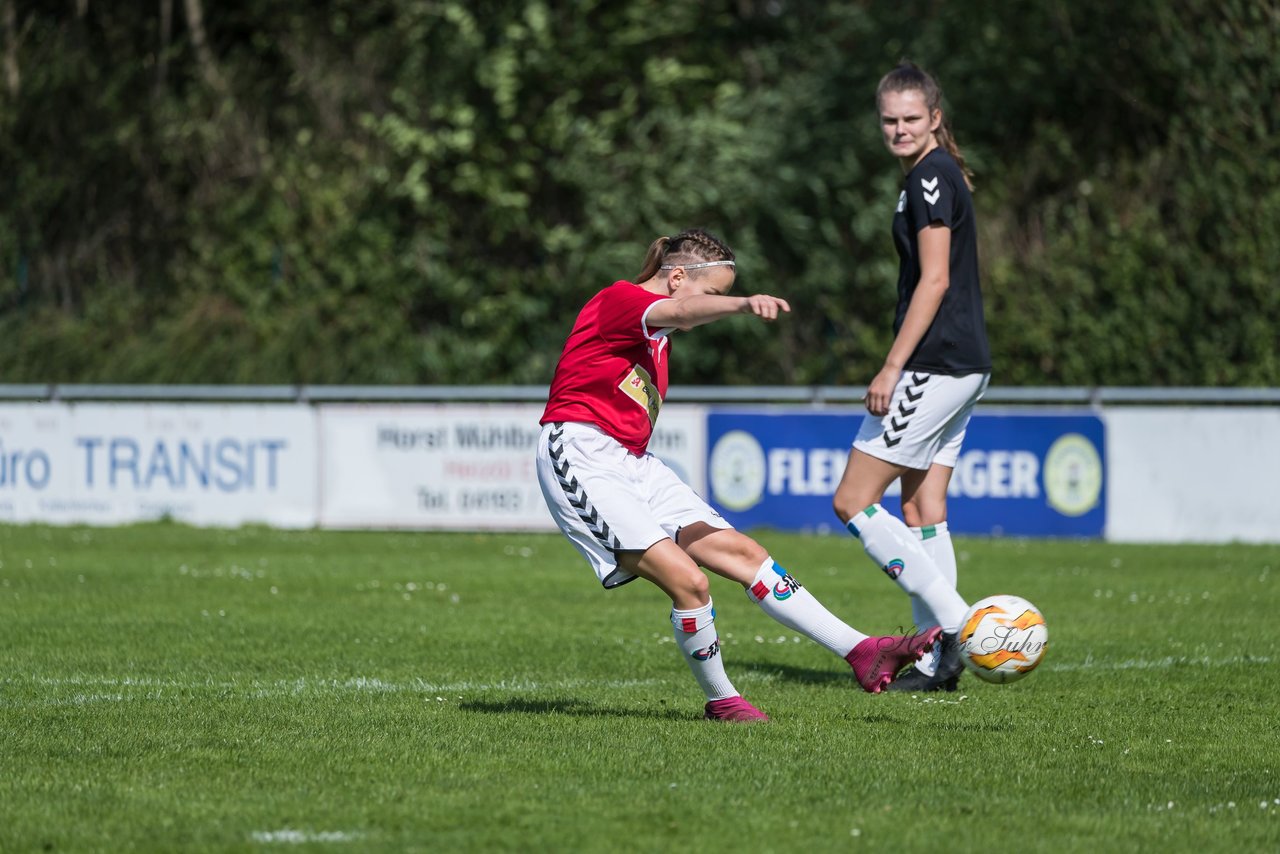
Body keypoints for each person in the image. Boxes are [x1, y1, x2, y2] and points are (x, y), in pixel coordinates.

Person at [536, 228, 941, 722]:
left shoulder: (656, 338)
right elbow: (683, 311)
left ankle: (862, 650)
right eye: (713, 293)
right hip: (581, 454)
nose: (714, 306)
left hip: (633, 462)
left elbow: (680, 315)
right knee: (689, 583)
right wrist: (745, 305)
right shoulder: (620, 300)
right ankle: (723, 701)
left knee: (747, 555)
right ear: (678, 276)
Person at [831, 62, 991, 693]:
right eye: (889, 120)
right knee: (923, 505)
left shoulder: (929, 177)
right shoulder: (938, 173)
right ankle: (937, 661)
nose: (898, 129)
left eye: (910, 119)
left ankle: (955, 626)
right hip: (965, 364)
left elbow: (936, 279)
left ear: (935, 119)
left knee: (851, 500)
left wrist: (893, 366)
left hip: (934, 363)